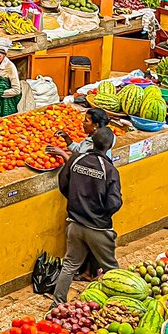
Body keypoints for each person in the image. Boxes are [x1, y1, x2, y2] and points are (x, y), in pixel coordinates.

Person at [52, 128, 121, 303]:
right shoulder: (109, 170)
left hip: (75, 223)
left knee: (69, 265)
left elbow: (63, 182)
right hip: (98, 227)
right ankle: (120, 304)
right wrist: (100, 213)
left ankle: (56, 304)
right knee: (112, 270)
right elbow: (114, 203)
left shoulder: (77, 159)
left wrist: (75, 202)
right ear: (110, 146)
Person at [48, 107, 115, 163]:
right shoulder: (95, 137)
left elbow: (80, 167)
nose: (83, 123)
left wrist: (62, 153)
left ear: (95, 125)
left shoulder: (96, 145)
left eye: (86, 121)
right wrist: (66, 137)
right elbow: (80, 149)